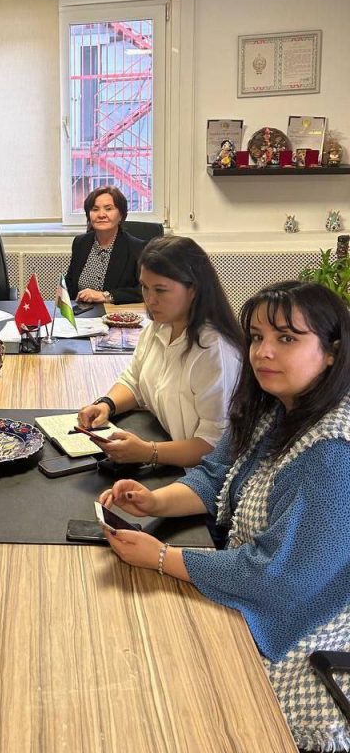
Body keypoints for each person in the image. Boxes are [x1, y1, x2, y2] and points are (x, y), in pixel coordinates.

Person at [99, 281, 350, 752]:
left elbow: (277, 579)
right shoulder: (277, 407)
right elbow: (217, 474)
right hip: (260, 579)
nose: (263, 352)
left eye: (286, 339)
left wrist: (162, 558)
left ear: (332, 352)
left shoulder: (332, 455)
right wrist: (156, 501)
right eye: (256, 337)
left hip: (307, 622)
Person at [78, 236, 243, 467]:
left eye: (161, 290)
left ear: (193, 289)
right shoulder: (159, 326)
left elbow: (214, 445)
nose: (150, 299)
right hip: (165, 447)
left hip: (201, 477)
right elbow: (134, 380)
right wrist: (106, 404)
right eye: (145, 287)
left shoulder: (215, 351)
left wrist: (148, 452)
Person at [64, 187, 145, 305]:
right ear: (88, 215)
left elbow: (143, 290)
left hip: (118, 315)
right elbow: (70, 282)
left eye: (108, 209)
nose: (101, 215)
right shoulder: (80, 243)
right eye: (95, 209)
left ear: (121, 215)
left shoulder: (137, 248)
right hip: (84, 314)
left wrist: (106, 296)